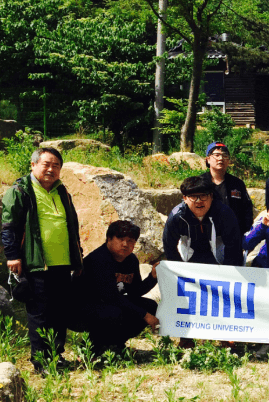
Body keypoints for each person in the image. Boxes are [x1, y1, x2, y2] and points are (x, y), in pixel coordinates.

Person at [2, 147, 83, 372]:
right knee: (40, 314)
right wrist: (12, 256)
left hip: (62, 263)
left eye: (56, 165)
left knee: (60, 312)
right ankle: (41, 361)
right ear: (33, 165)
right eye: (46, 164)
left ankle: (56, 355)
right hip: (36, 263)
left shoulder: (62, 191)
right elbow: (8, 227)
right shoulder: (20, 191)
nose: (51, 169)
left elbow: (72, 227)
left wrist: (78, 257)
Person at [76, 221, 159, 358]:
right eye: (120, 239)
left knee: (149, 305)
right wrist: (145, 315)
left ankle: (115, 344)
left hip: (110, 303)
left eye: (130, 241)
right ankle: (93, 347)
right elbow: (110, 296)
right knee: (115, 312)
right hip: (81, 308)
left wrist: (153, 277)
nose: (125, 244)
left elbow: (135, 292)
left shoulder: (131, 260)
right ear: (109, 239)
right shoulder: (98, 259)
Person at [163, 176, 244, 266]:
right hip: (188, 257)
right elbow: (169, 248)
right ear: (185, 198)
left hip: (218, 258)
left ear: (211, 196)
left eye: (203, 195)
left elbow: (234, 248)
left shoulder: (224, 214)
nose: (199, 201)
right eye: (193, 196)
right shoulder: (176, 217)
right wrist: (180, 270)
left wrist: (226, 271)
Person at [200, 141, 253, 237]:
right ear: (208, 159)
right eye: (216, 155)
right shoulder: (199, 182)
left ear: (228, 161)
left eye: (225, 155)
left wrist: (244, 233)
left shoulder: (237, 184)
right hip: (205, 236)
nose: (221, 158)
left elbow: (247, 210)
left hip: (233, 236)